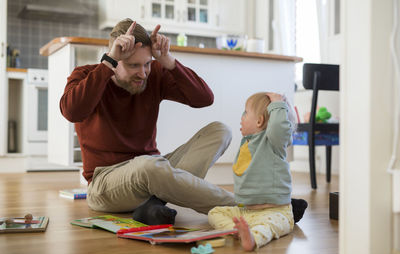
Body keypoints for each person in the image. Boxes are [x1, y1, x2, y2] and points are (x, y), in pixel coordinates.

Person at [60, 18, 307, 226]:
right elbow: (72, 111)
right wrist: (107, 63)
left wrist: (168, 61)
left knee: (220, 131)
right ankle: (253, 207)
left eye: (147, 64)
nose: (143, 73)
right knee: (150, 167)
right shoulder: (88, 75)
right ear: (113, 61)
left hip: (152, 168)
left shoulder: (152, 75)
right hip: (106, 183)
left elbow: (204, 98)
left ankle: (152, 208)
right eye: (133, 65)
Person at [208, 92, 307, 251]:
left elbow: (278, 129)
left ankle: (253, 238)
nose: (241, 117)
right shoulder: (247, 142)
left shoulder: (273, 142)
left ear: (260, 121)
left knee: (267, 226)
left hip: (276, 211)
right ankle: (236, 230)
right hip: (247, 211)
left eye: (245, 112)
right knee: (215, 213)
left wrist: (277, 104)